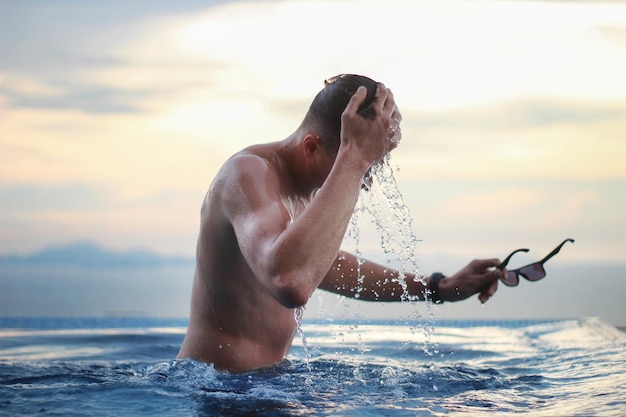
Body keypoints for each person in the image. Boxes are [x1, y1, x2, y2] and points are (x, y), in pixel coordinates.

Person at [177, 74, 504, 373]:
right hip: (214, 392)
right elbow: (290, 280)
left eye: (369, 168)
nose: (363, 183)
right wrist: (353, 159)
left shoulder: (301, 195)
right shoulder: (248, 173)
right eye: (354, 164)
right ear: (311, 146)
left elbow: (324, 266)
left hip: (265, 387)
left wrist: (438, 287)